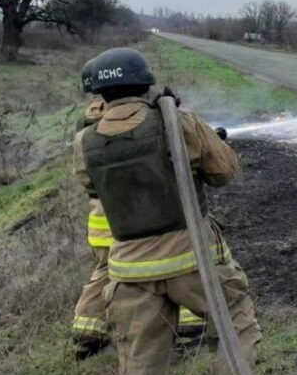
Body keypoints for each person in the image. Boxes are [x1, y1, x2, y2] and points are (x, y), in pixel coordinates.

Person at [73, 47, 277, 375]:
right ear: (144, 84)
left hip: (129, 271)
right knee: (233, 315)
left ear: (100, 93)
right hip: (191, 260)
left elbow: (94, 188)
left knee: (140, 352)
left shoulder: (85, 141)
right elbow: (223, 173)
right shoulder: (176, 123)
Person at [70, 62, 207, 359]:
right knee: (180, 266)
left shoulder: (89, 127)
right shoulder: (139, 120)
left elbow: (88, 181)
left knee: (103, 273)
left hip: (104, 224)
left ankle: (86, 332)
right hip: (134, 223)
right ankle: (189, 326)